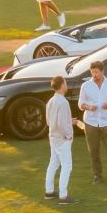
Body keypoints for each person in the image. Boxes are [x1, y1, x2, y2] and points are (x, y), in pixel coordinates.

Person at [44, 74, 76, 204]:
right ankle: (63, 196)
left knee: (54, 163)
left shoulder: (51, 101)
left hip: (53, 137)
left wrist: (69, 121)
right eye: (65, 83)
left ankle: (49, 191)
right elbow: (61, 124)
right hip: (62, 139)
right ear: (62, 85)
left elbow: (49, 121)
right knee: (67, 165)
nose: (66, 85)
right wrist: (68, 135)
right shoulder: (63, 102)